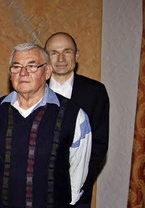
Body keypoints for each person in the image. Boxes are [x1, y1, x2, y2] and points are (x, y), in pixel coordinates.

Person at [0, 43, 92, 207]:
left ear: (47, 71)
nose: (23, 73)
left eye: (32, 66)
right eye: (16, 66)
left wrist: (70, 202)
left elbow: (79, 170)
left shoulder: (74, 115)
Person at [44, 32, 110, 207]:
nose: (60, 58)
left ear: (76, 55)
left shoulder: (95, 92)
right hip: (39, 189)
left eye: (67, 51)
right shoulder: (34, 91)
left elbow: (99, 144)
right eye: (53, 52)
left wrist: (80, 184)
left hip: (78, 191)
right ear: (45, 58)